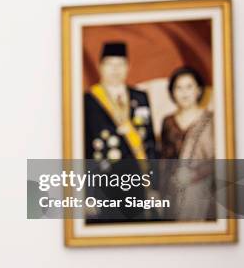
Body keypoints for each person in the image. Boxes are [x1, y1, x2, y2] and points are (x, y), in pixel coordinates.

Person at [84, 41, 157, 221]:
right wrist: (87, 194)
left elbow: (150, 143)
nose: (115, 69)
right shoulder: (88, 100)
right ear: (101, 67)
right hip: (104, 183)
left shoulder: (140, 97)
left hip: (139, 183)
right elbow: (84, 148)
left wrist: (155, 186)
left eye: (120, 64)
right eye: (110, 64)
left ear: (128, 67)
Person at [160, 66, 215, 220]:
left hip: (204, 192)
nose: (184, 92)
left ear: (198, 90)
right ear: (172, 92)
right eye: (179, 87)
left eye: (189, 87)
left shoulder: (212, 120)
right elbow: (163, 160)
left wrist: (194, 174)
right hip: (172, 192)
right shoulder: (168, 122)